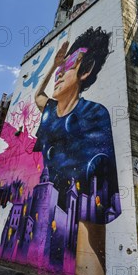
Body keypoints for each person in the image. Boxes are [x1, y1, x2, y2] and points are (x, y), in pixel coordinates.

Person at [34, 26, 121, 223]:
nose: (60, 73)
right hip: (45, 210)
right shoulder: (49, 111)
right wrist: (53, 65)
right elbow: (38, 95)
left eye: (69, 65)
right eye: (59, 69)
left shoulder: (94, 114)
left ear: (86, 70)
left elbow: (97, 196)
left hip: (73, 212)